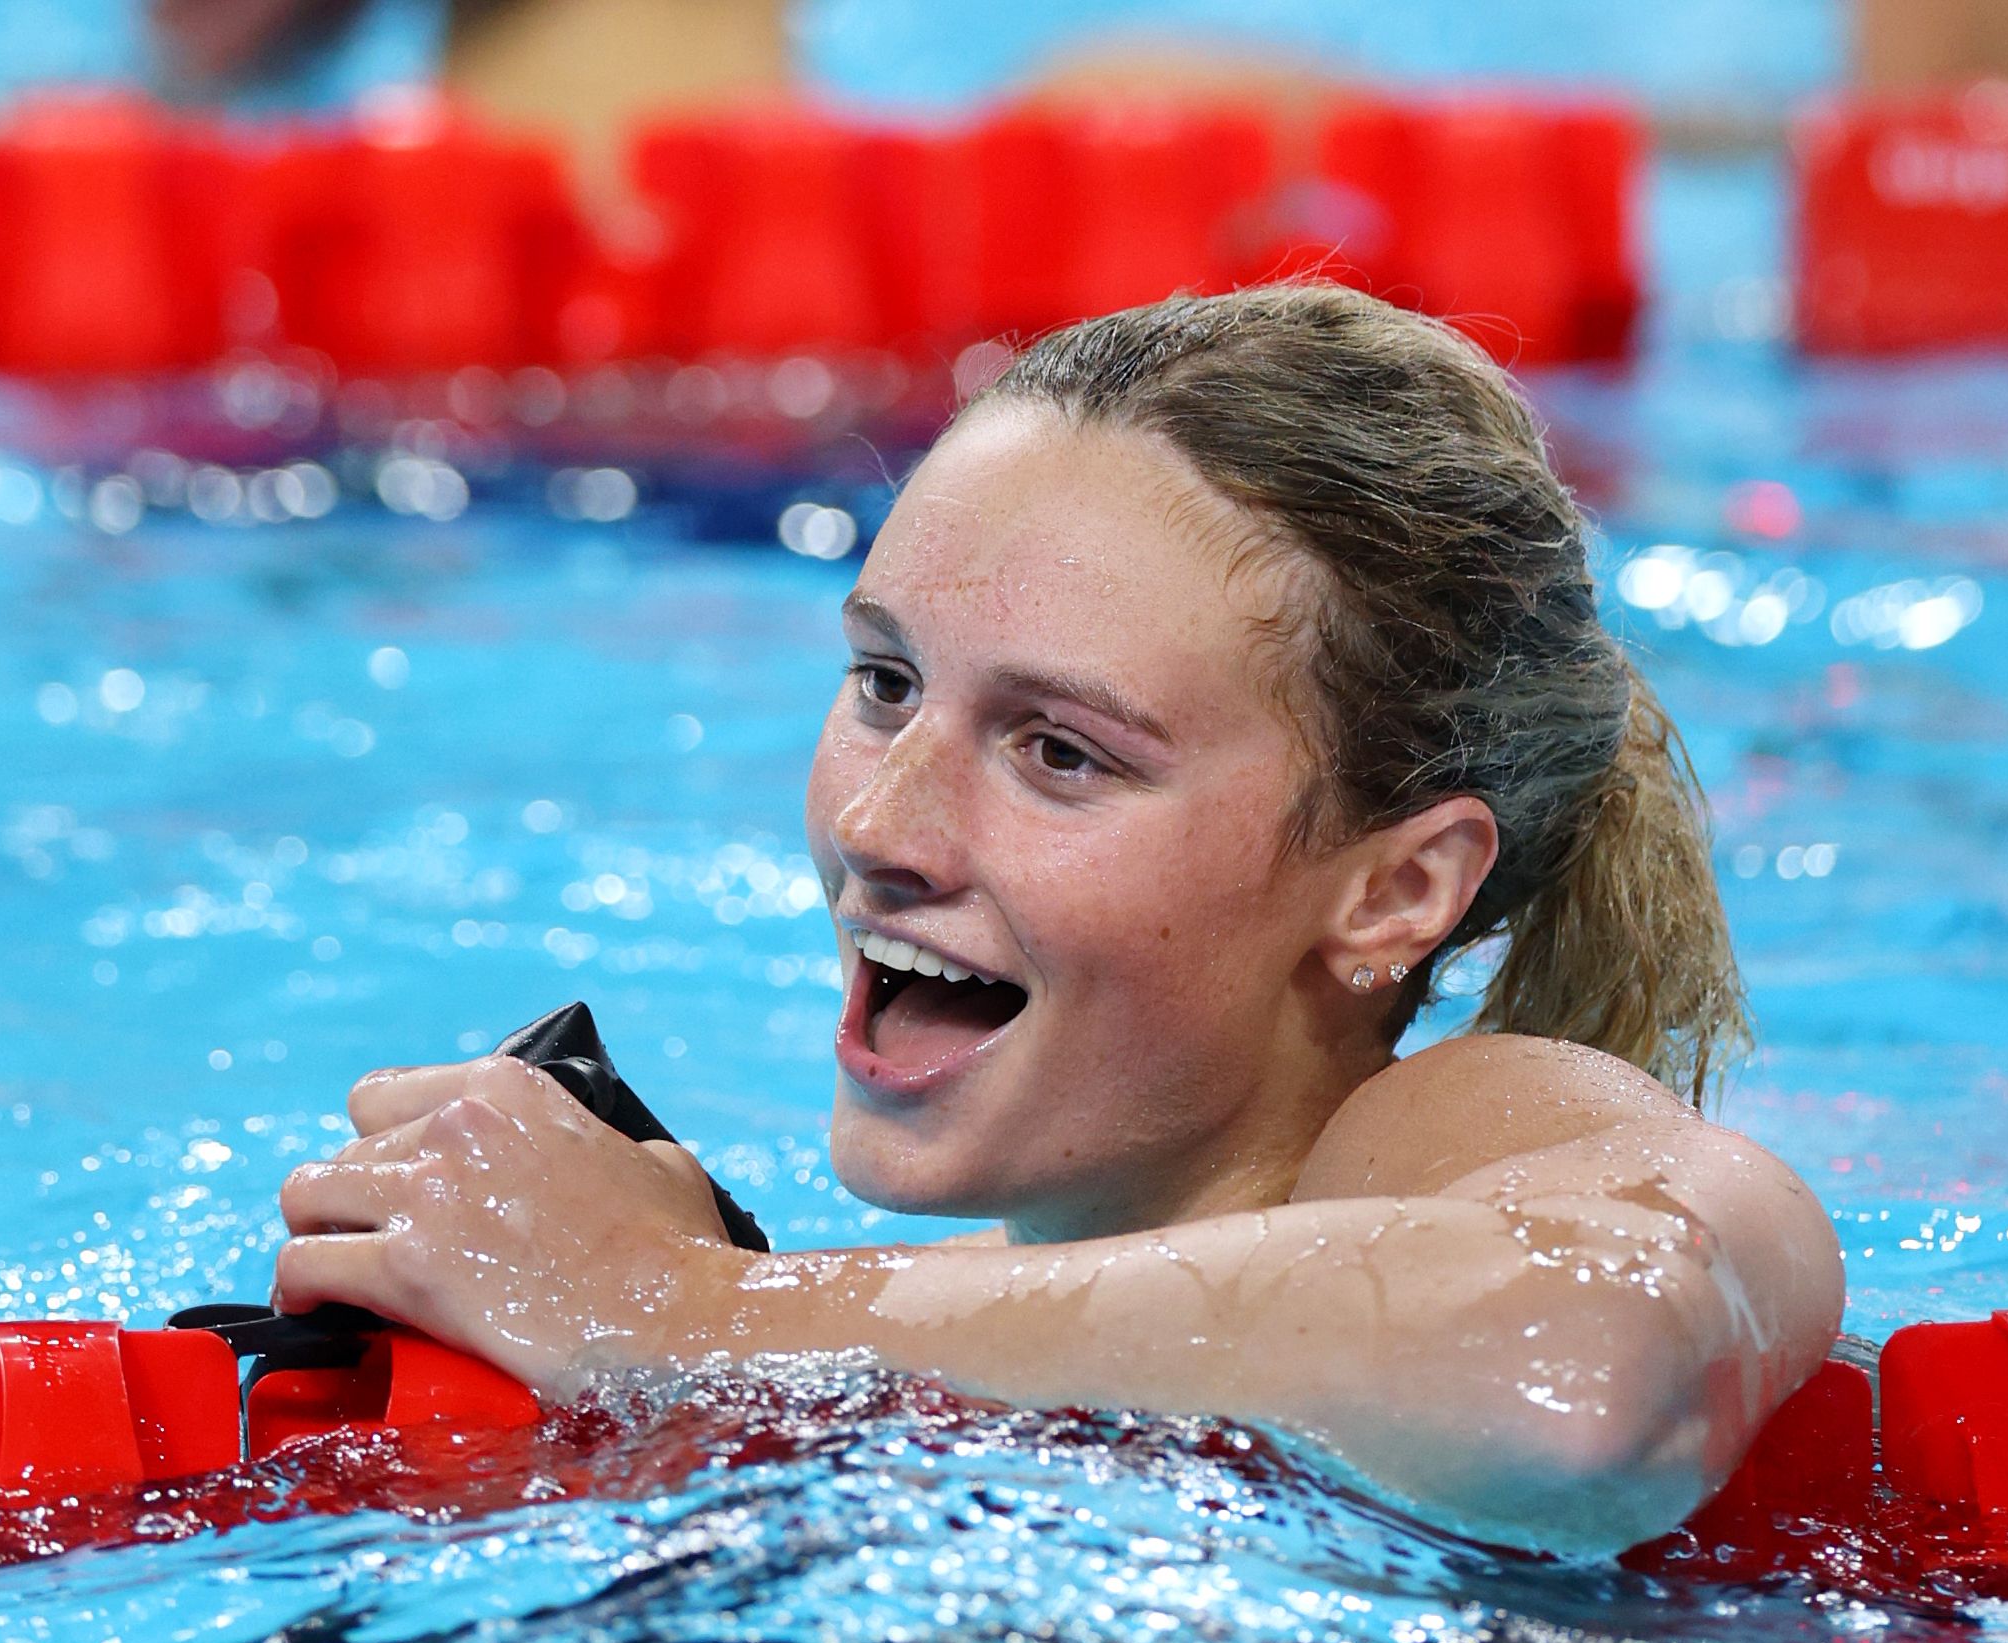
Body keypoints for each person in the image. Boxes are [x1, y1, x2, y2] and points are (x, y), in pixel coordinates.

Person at [271, 284, 1846, 1558]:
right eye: (884, 684)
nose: (880, 831)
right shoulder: (953, 1322)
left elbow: (1580, 1374)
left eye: (1060, 751)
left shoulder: (1463, 1131)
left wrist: (681, 1312)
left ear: (1394, 889)